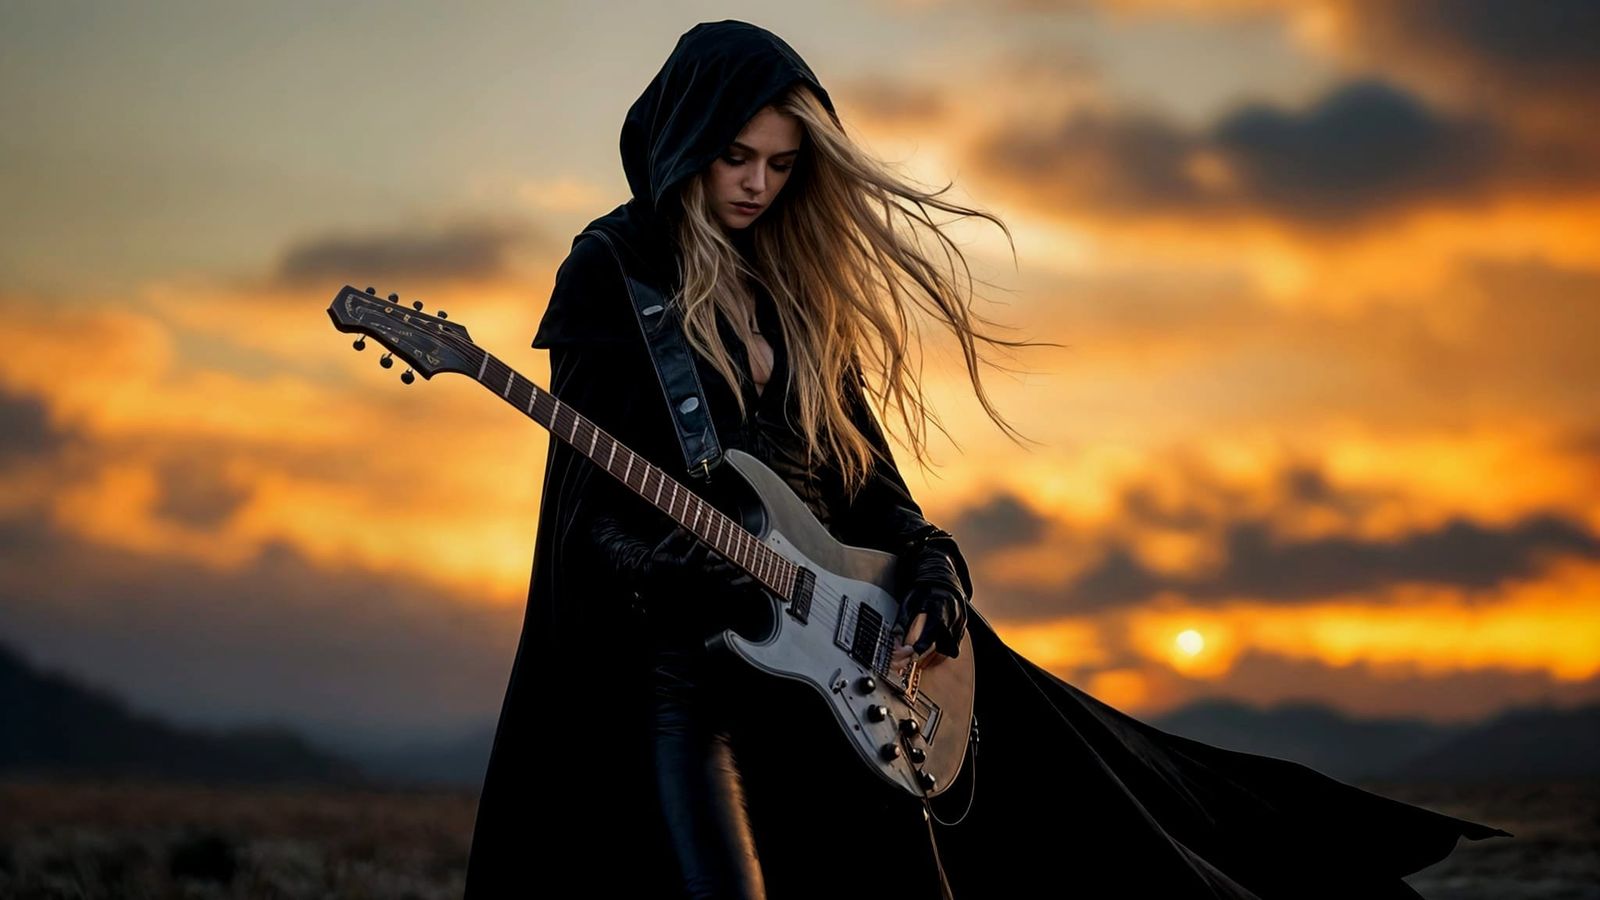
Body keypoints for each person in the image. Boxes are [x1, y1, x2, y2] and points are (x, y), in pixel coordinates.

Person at [464, 19, 1511, 900]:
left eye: (782, 165)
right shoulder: (611, 271)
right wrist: (683, 566)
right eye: (736, 156)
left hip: (834, 657)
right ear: (686, 139)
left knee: (1062, 828)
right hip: (683, 678)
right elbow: (590, 523)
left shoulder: (791, 286)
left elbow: (862, 480)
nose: (756, 185)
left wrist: (925, 560)